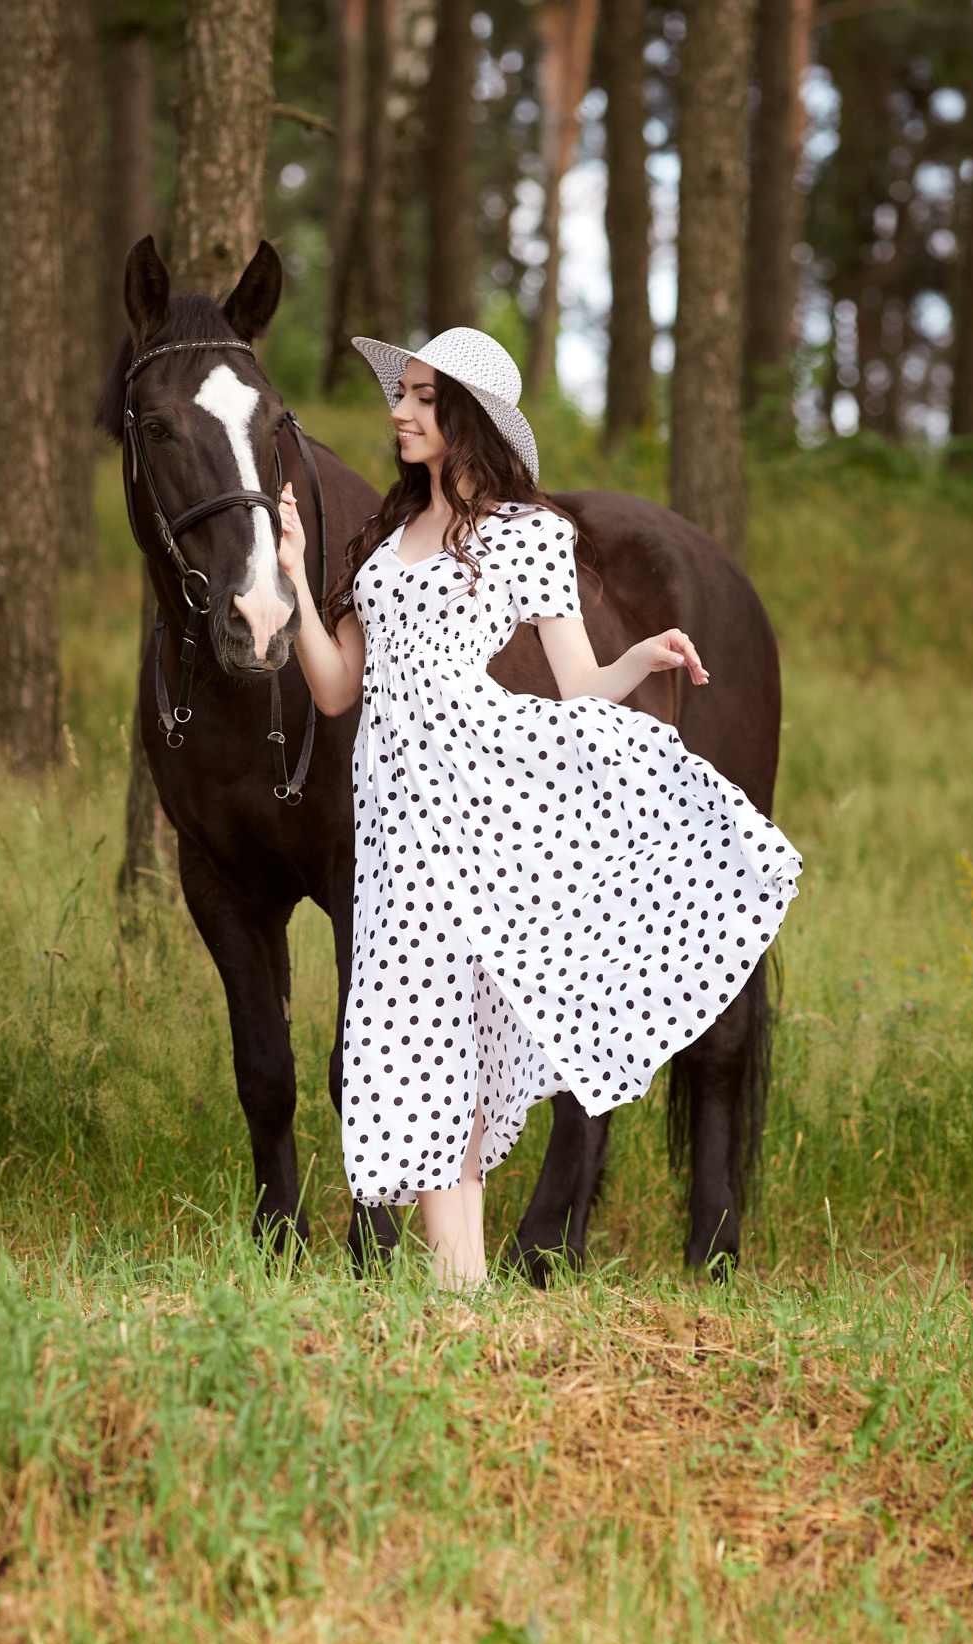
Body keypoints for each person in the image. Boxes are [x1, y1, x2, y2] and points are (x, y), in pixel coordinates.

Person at [278, 327, 801, 1289]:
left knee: (451, 1047)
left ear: (467, 417)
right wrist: (298, 579)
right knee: (423, 1042)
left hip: (477, 801)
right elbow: (335, 688)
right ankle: (465, 1294)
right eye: (405, 395)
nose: (400, 410)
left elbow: (577, 683)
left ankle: (457, 1296)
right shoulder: (385, 543)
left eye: (425, 398)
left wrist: (644, 659)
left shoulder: (529, 535)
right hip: (394, 819)